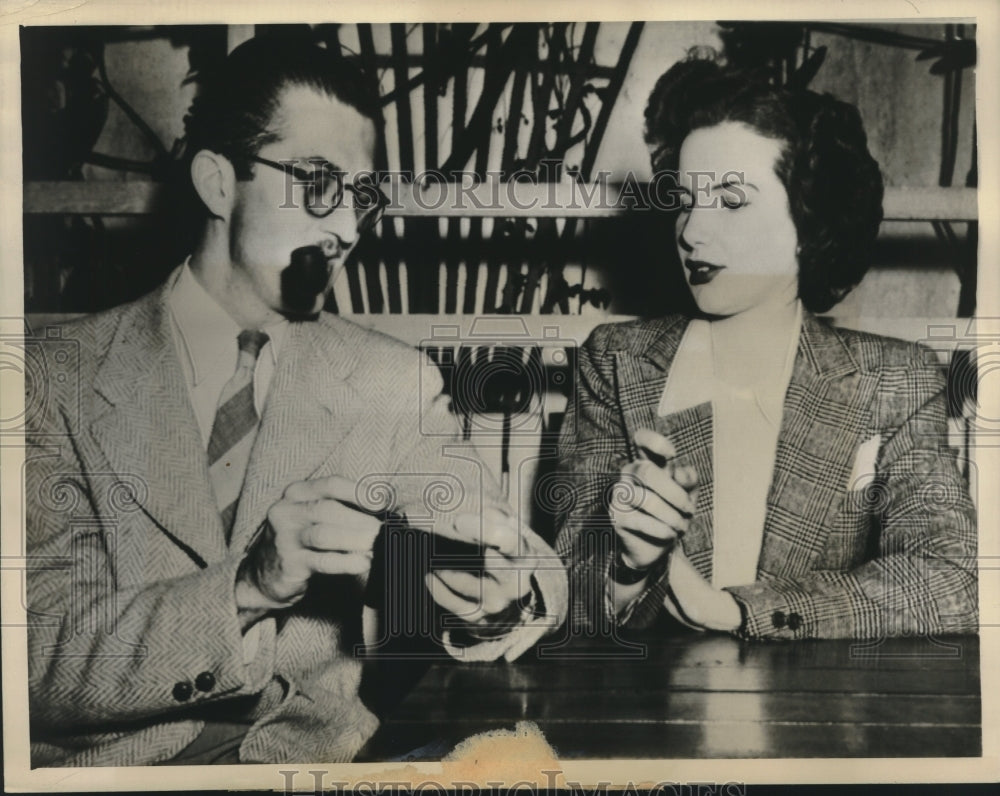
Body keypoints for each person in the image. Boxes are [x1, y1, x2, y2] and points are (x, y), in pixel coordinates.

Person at [26, 36, 566, 766]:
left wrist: (491, 596)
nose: (347, 229)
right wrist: (247, 590)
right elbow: (35, 659)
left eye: (363, 197)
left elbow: (516, 566)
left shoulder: (392, 382)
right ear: (218, 184)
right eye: (318, 183)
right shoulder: (50, 382)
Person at [554, 53, 977, 640]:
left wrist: (740, 611)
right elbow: (566, 593)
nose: (693, 231)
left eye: (730, 200)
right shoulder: (618, 362)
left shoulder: (895, 380)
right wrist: (629, 567)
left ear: (810, 223)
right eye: (683, 198)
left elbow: (953, 579)